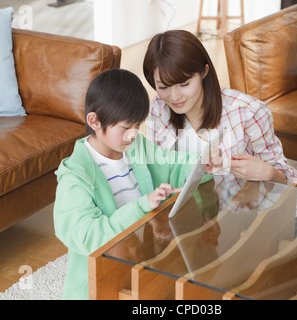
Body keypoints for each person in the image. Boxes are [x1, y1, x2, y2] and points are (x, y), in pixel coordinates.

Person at [142, 30, 297, 262]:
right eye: (163, 87)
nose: (174, 97)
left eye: (184, 84)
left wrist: (265, 172)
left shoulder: (248, 110)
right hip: (222, 219)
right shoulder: (159, 109)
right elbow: (160, 170)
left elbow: (283, 174)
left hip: (286, 204)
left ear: (204, 71)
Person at [53, 68, 209, 300]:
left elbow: (173, 166)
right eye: (126, 128)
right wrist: (141, 205)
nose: (133, 134)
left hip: (141, 260)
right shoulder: (75, 177)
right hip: (101, 280)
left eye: (138, 126)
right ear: (94, 121)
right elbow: (89, 238)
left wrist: (205, 163)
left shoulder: (135, 147)